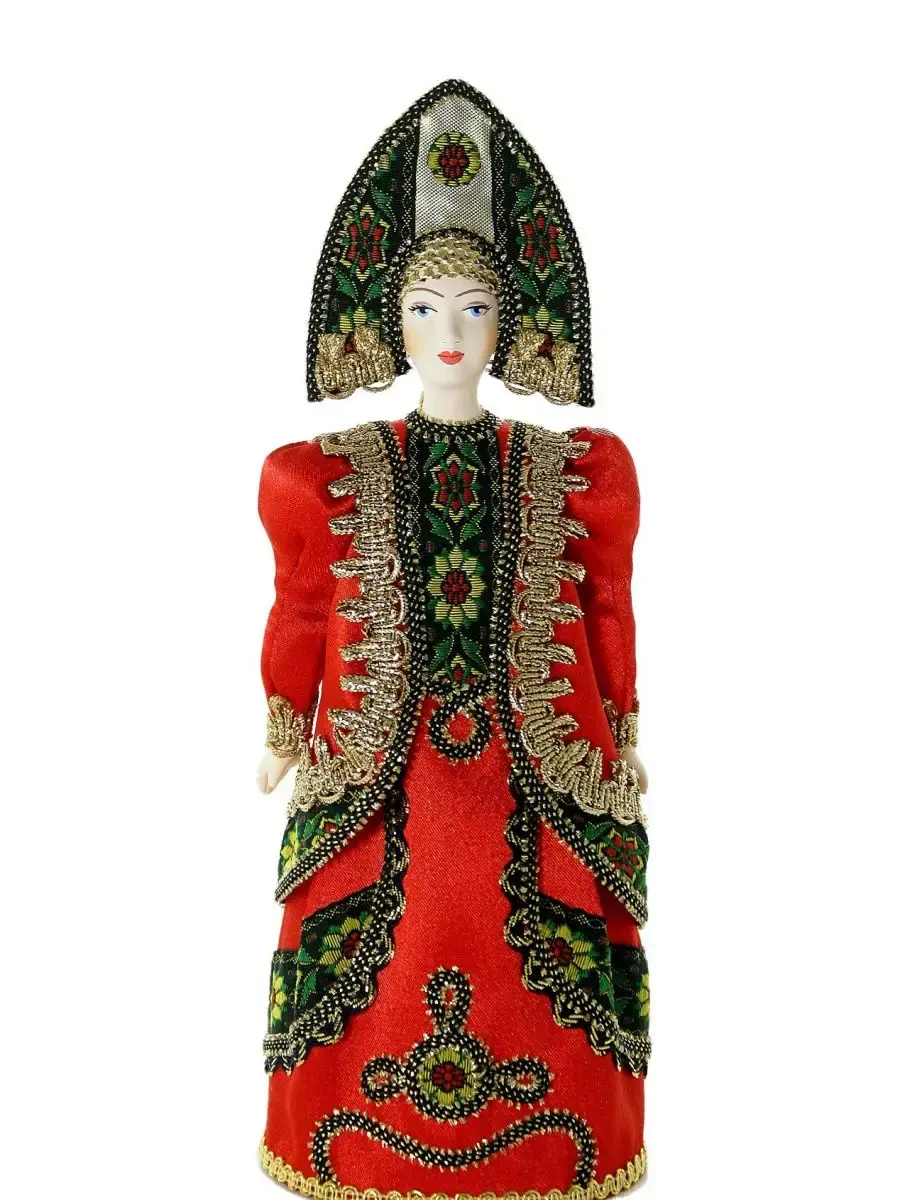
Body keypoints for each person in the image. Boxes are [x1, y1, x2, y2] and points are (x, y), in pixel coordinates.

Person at [255, 80, 651, 1198]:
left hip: (538, 765)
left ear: (507, 325)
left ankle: (557, 1146)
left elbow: (604, 604)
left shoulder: (577, 472)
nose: (450, 336)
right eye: (428, 311)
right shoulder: (323, 474)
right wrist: (283, 725)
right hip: (382, 771)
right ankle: (354, 1143)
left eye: (474, 311)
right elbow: (304, 605)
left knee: (545, 949)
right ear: (392, 323)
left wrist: (621, 727)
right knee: (372, 950)